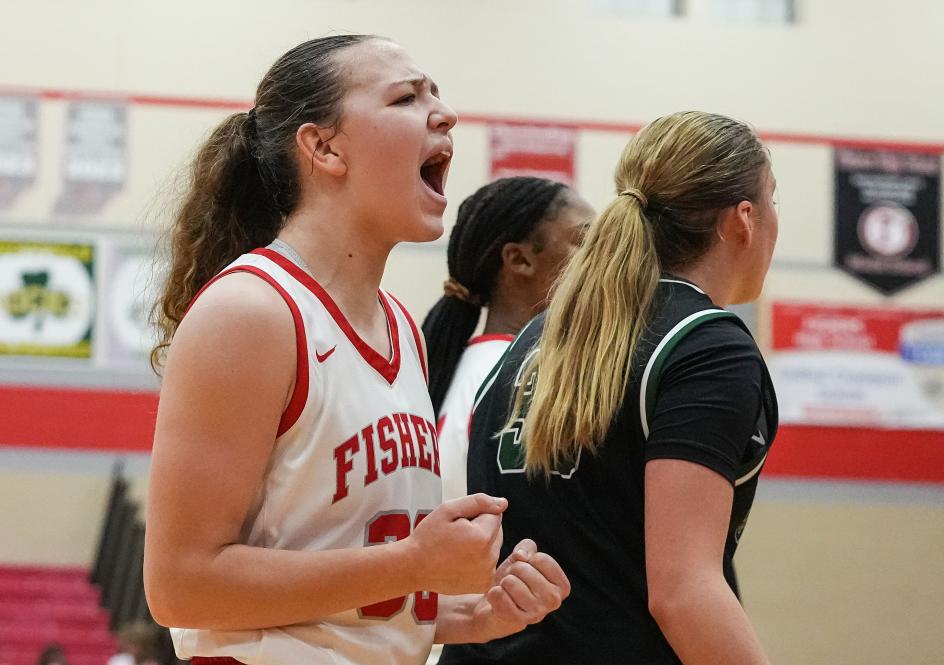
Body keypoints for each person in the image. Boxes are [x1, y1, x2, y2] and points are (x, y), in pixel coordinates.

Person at [143, 35, 569, 665]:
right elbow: (181, 588)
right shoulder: (253, 312)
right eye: (405, 96)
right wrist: (412, 563)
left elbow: (346, 601)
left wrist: (466, 614)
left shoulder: (399, 327)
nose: (444, 114)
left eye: (436, 93)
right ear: (324, 147)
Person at [440, 111, 779, 665]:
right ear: (743, 218)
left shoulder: (533, 339)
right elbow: (684, 594)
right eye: (773, 199)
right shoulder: (707, 346)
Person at [421, 176, 593, 500]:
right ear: (519, 259)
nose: (601, 261)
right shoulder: (522, 376)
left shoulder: (467, 361)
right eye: (584, 242)